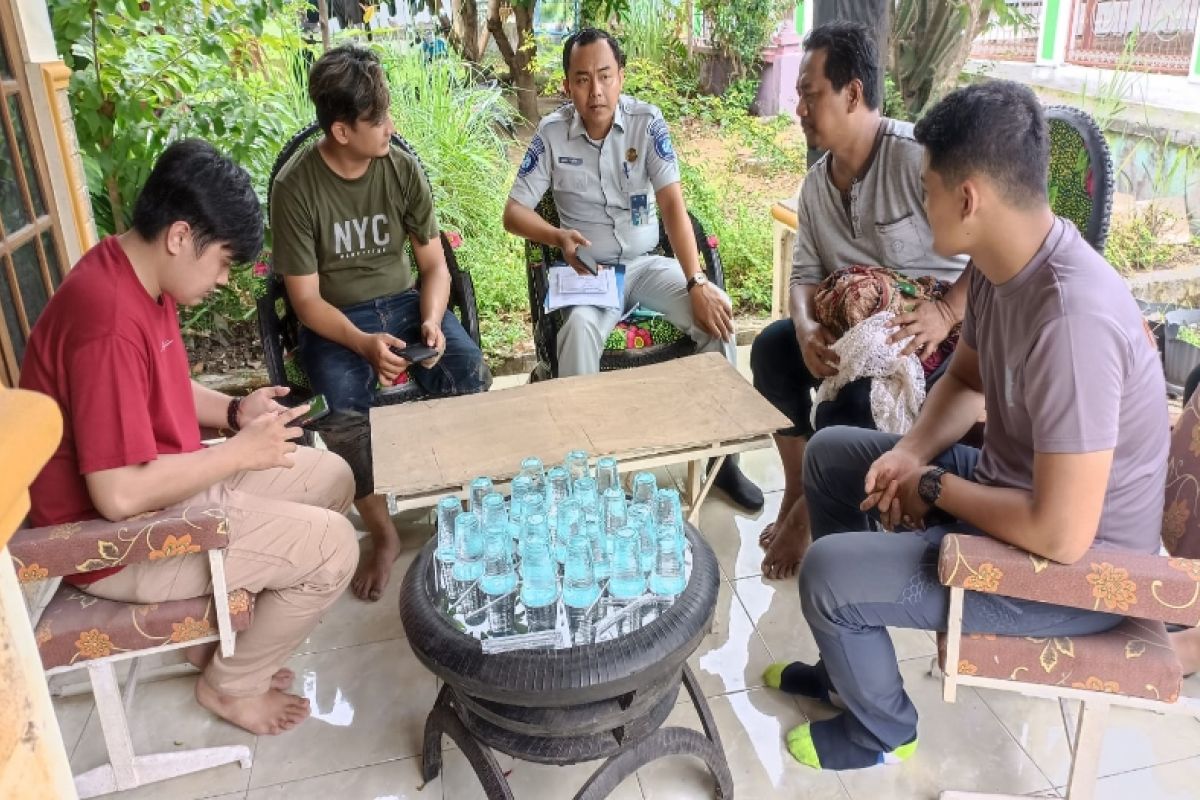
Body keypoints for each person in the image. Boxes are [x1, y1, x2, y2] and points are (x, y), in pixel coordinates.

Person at [764, 80, 1168, 771]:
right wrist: (911, 454)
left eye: (927, 190)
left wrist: (933, 488)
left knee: (828, 574)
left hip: (1075, 576)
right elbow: (967, 379)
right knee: (836, 457)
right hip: (1017, 495)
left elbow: (1059, 535)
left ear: (968, 198)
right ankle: (846, 673)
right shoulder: (999, 267)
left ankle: (882, 729)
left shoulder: (1072, 320)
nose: (922, 207)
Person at [20, 139, 359, 736]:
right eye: (224, 262)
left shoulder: (138, 276)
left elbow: (167, 385)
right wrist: (236, 455)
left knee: (333, 476)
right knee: (333, 547)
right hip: (111, 543)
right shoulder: (106, 322)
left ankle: (224, 642)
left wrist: (234, 413)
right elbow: (118, 496)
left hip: (167, 485)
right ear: (181, 236)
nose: (225, 279)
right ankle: (231, 686)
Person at [502, 27, 762, 512]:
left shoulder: (649, 124)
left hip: (646, 264)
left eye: (604, 76)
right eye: (582, 79)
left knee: (717, 316)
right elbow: (513, 213)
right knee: (578, 330)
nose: (595, 90)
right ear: (567, 85)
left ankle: (724, 461)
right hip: (594, 273)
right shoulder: (553, 133)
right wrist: (557, 237)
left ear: (620, 78)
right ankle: (589, 477)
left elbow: (673, 208)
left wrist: (698, 280)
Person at [750, 21, 968, 581]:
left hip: (927, 334)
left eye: (808, 93)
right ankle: (800, 489)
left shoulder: (918, 158)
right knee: (772, 353)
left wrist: (946, 312)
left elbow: (988, 252)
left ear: (853, 93)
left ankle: (822, 531)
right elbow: (804, 274)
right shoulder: (817, 183)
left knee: (852, 404)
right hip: (855, 329)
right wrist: (803, 328)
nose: (798, 106)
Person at [272, 44, 488, 602]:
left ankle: (462, 510)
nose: (391, 127)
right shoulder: (296, 190)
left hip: (407, 302)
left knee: (467, 374)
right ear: (341, 131)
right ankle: (384, 533)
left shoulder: (399, 167)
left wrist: (433, 320)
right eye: (378, 120)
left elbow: (435, 264)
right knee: (342, 411)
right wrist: (364, 343)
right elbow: (305, 303)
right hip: (337, 321)